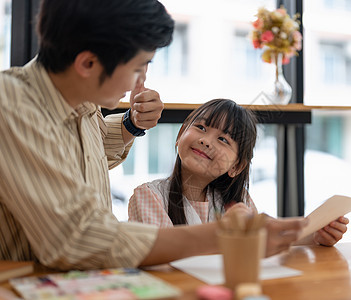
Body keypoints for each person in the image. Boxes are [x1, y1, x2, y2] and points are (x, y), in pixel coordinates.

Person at [0, 0, 318, 271]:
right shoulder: (12, 106)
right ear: (88, 62)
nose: (143, 79)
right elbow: (79, 237)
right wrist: (227, 237)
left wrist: (131, 124)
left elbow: (82, 152)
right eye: (140, 65)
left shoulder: (79, 101)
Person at [129, 99, 259, 226]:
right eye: (201, 127)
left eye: (223, 139)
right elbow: (163, 248)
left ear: (236, 166)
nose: (206, 141)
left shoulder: (241, 202)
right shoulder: (149, 196)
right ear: (181, 134)